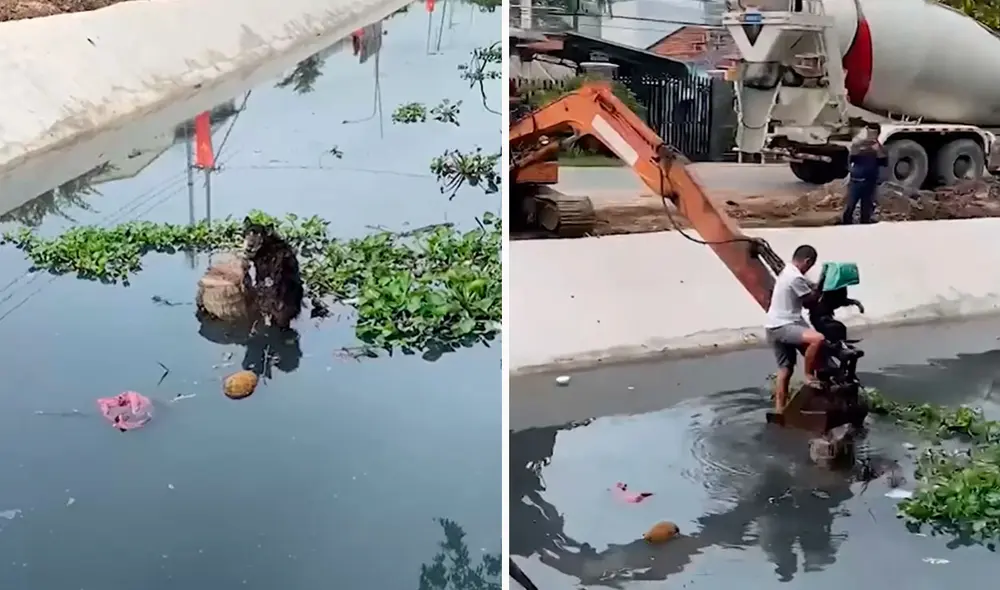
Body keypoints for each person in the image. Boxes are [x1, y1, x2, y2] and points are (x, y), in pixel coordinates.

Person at [764, 245, 825, 413]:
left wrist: (813, 287)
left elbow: (805, 287)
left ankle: (779, 410)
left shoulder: (787, 272)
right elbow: (809, 302)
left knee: (785, 370)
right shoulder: (795, 278)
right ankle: (808, 376)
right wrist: (820, 290)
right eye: (810, 266)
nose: (809, 269)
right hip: (784, 326)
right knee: (817, 339)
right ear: (807, 261)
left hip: (771, 327)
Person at [842, 122, 888, 225]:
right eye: (870, 132)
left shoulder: (880, 148)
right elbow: (852, 157)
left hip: (870, 182)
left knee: (867, 206)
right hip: (856, 181)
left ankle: (865, 224)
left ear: (878, 134)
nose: (871, 135)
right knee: (850, 205)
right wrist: (867, 149)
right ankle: (845, 223)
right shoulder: (859, 144)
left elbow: (884, 162)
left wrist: (878, 151)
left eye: (874, 133)